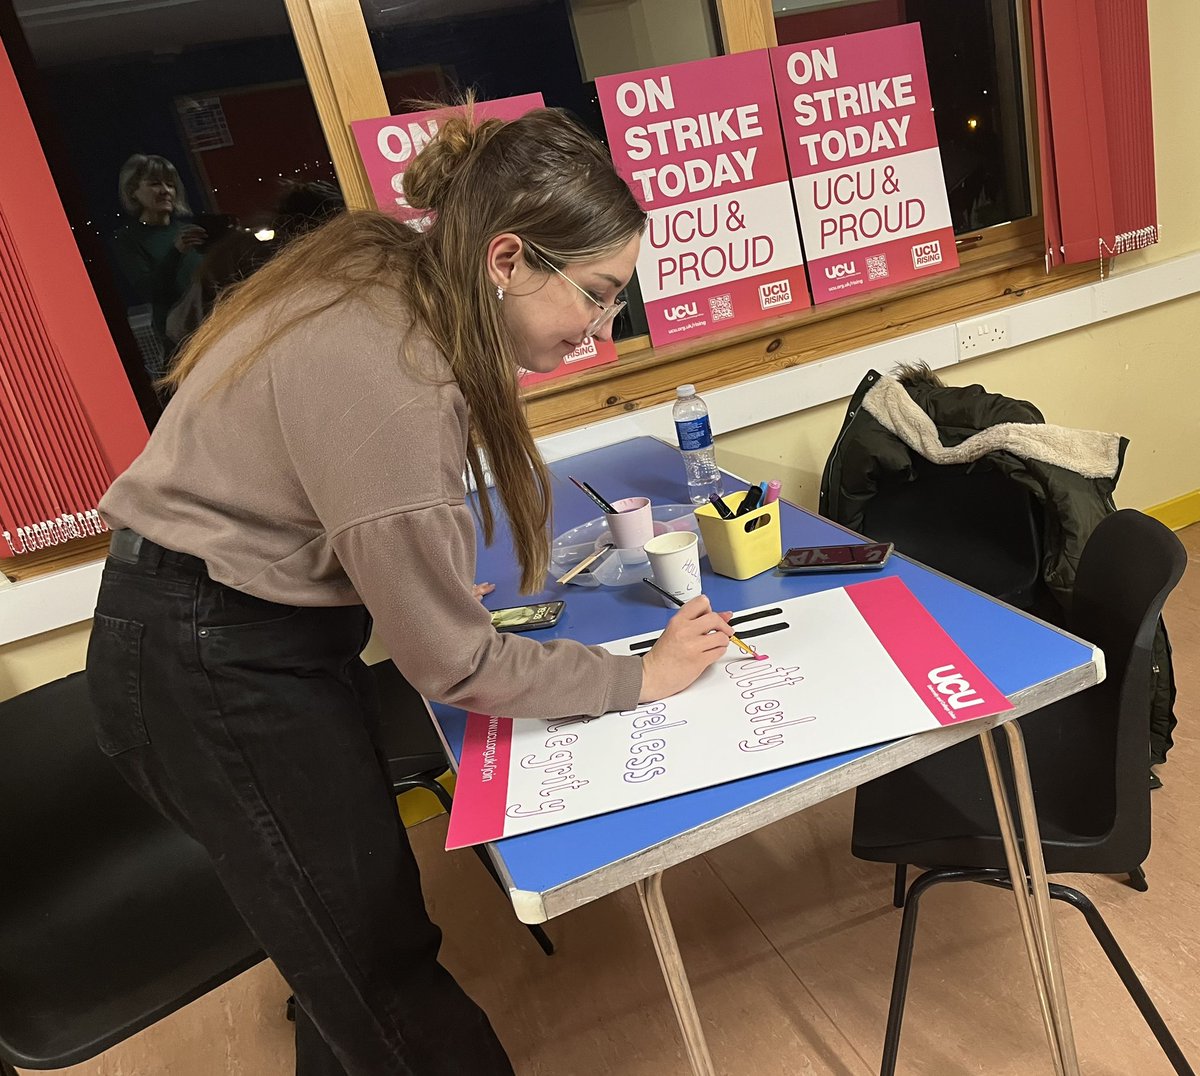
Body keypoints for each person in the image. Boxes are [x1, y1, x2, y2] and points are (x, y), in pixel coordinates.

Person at [86, 103, 735, 1076]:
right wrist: (637, 677)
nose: (600, 331)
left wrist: (421, 573)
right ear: (507, 258)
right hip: (208, 655)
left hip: (218, 628)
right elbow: (452, 660)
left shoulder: (387, 275)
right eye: (597, 297)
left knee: (341, 956)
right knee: (377, 969)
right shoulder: (394, 370)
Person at [112, 153, 206, 374]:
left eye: (170, 185)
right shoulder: (128, 239)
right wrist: (176, 251)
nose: (165, 191)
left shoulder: (187, 231)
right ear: (133, 191)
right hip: (180, 338)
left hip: (214, 324)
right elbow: (150, 290)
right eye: (155, 184)